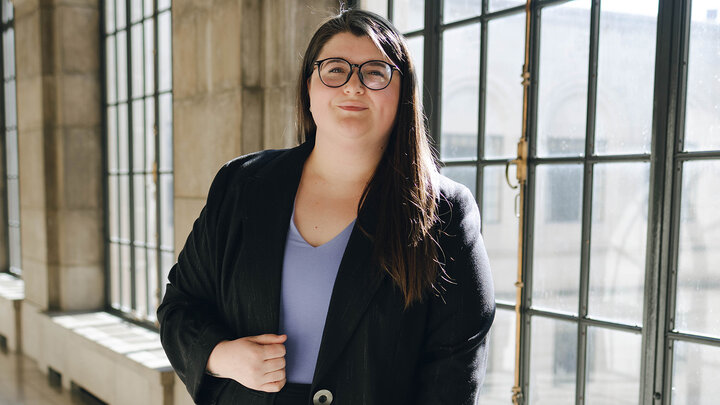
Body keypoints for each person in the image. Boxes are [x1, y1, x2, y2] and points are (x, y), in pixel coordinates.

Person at [158, 8, 495, 405]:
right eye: (335, 70)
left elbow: (452, 376)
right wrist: (220, 356)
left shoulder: (445, 213)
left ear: (402, 93)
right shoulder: (241, 185)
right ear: (309, 88)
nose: (353, 86)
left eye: (375, 71)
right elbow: (179, 308)